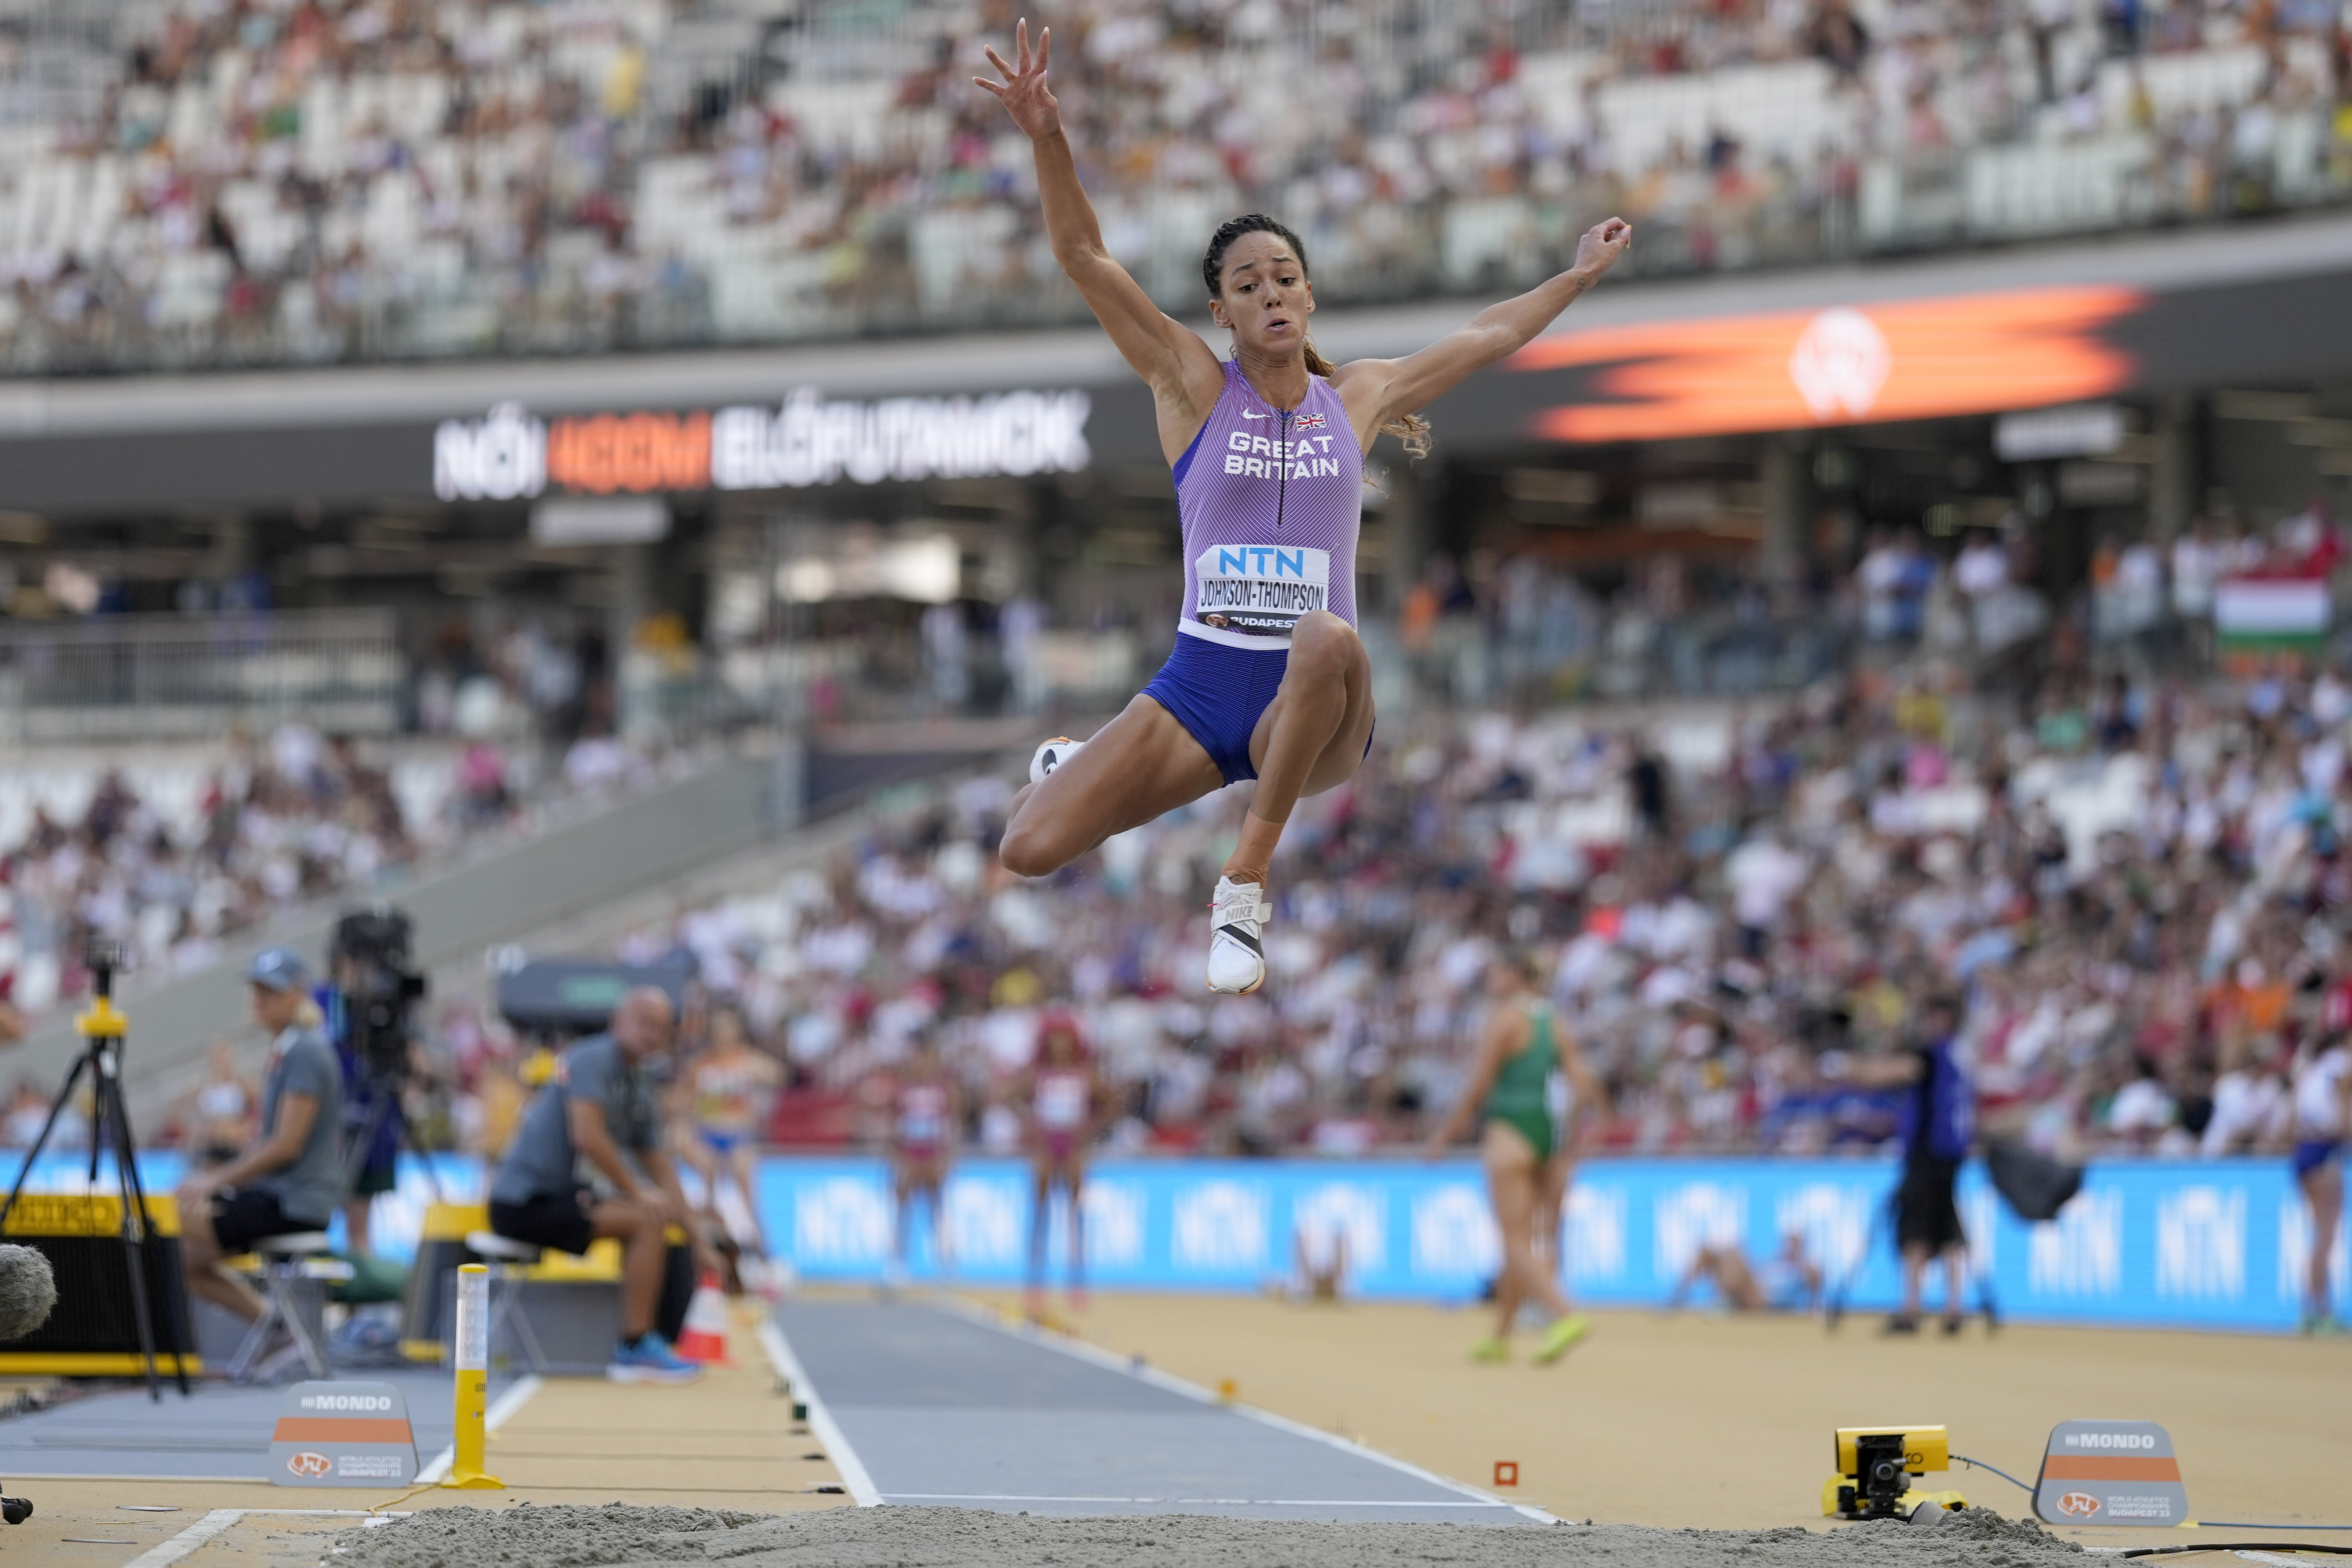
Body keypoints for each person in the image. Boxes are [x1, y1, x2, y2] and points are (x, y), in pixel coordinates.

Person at [976, 21, 1632, 995]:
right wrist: (1047, 136)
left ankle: (1242, 887)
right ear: (1223, 314)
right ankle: (1075, 759)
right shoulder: (1192, 387)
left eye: (1285, 279)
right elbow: (1084, 256)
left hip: (1318, 710)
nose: (1271, 294)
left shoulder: (1357, 396)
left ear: (1310, 296)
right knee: (1026, 848)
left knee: (1323, 634)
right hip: (1202, 683)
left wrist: (1575, 276)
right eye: (1249, 286)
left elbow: (1487, 335)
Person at [487, 987, 720, 1384]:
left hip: (563, 1199)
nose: (652, 1034)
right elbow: (587, 1136)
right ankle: (634, 1346)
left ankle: (649, 1338)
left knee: (655, 1213)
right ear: (619, 1022)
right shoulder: (592, 1058)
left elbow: (662, 1168)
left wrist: (699, 1240)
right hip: (523, 1202)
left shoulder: (638, 1082)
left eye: (660, 1027)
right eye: (644, 1023)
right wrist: (638, 1191)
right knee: (647, 1219)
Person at [1425, 950, 1604, 1365]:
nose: (1491, 981)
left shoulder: (1505, 1018)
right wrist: (1574, 1133)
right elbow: (1581, 1081)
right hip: (1548, 1132)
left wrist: (1445, 1135)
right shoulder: (1553, 1019)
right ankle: (1501, 1336)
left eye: (1496, 973)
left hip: (1510, 1127)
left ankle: (1564, 1314)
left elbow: (1480, 1083)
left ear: (1515, 975)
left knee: (1514, 1238)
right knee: (1529, 1237)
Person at [174, 949, 347, 1325]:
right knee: (184, 1260)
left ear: (297, 994)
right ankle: (275, 1330)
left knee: (172, 1214)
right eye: (256, 989)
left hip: (293, 1204)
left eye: (271, 990)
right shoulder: (292, 1049)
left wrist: (216, 1180)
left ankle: (276, 1330)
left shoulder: (304, 1051)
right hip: (286, 1197)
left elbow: (286, 1145)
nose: (259, 998)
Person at [1831, 993, 1977, 1334]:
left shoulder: (1931, 1054)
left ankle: (1912, 1308)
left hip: (1927, 1155)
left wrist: (1850, 1067)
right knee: (1948, 1227)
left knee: (1915, 1230)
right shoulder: (1959, 1056)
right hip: (1950, 1156)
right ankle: (1954, 1308)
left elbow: (1891, 1073)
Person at [676, 1004, 780, 1270]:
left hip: (739, 1135)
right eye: (719, 1028)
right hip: (708, 1133)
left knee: (748, 1194)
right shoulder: (701, 1063)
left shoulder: (748, 1060)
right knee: (709, 1193)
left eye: (729, 1027)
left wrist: (753, 1073)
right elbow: (685, 1099)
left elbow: (777, 1074)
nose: (724, 1033)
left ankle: (764, 1252)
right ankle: (713, 1250)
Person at [1023, 1010, 1100, 1318]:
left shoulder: (1084, 1074)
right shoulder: (1038, 1074)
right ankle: (1036, 1281)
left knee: (1075, 1214)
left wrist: (1089, 1130)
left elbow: (1108, 1103)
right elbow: (1012, 1095)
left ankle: (1076, 1280)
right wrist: (1031, 1127)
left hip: (1072, 1147)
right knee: (1040, 1213)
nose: (1060, 1046)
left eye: (1065, 1040)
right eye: (1055, 1041)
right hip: (1047, 1145)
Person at [888, 1033, 962, 1287]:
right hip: (910, 1154)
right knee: (903, 1210)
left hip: (934, 1154)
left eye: (927, 1060)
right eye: (919, 1060)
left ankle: (945, 1261)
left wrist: (948, 1159)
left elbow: (953, 1126)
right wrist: (897, 1160)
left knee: (937, 1208)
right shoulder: (903, 1090)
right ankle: (897, 1264)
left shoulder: (944, 1090)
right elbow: (895, 1127)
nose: (922, 1065)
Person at [2290, 1033, 2349, 1334]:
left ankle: (2308, 1311)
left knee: (2320, 1236)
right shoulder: (2342, 1064)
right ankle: (2323, 1312)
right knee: (2326, 1235)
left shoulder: (2313, 1068)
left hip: (2305, 1149)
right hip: (2325, 1151)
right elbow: (2343, 1117)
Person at [1667, 1232, 1822, 1314]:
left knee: (1734, 1253)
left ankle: (1724, 1301)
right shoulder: (1774, 1263)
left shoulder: (1803, 1269)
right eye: (1788, 1242)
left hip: (1764, 1302)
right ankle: (1678, 1299)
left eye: (1795, 1244)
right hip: (1749, 1289)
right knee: (1706, 1252)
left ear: (1802, 1247)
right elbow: (1759, 1273)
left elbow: (1816, 1280)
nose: (1790, 1247)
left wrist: (1801, 1263)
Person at [184, 1040, 259, 1167]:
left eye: (223, 1056)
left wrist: (247, 1128)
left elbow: (260, 1106)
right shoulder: (202, 1085)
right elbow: (183, 1113)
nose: (220, 1060)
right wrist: (197, 1131)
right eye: (217, 1057)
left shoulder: (242, 1082)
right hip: (212, 1142)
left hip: (235, 1141)